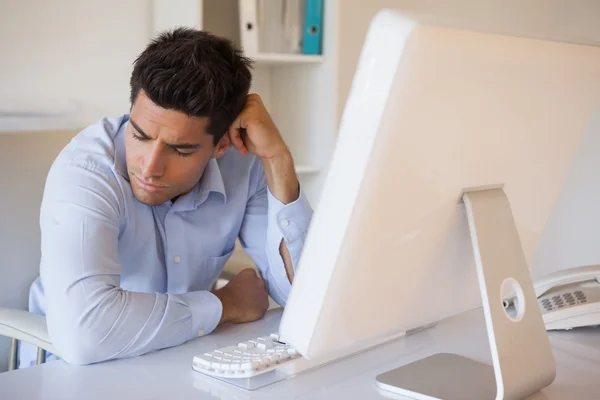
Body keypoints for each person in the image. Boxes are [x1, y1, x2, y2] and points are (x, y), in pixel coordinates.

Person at [18, 28, 313, 367]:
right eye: (139, 135)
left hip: (180, 358)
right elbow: (85, 335)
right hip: (69, 370)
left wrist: (277, 158)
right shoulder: (86, 170)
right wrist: (224, 305)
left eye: (180, 149)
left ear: (221, 146)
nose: (150, 167)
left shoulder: (242, 164)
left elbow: (307, 301)